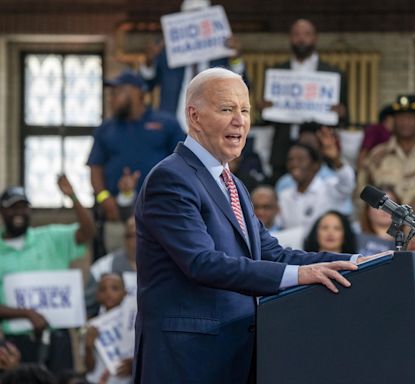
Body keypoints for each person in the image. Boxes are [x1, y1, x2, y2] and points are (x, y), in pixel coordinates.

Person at [133, 68, 367, 383]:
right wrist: (300, 276)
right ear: (195, 116)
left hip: (234, 356)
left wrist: (355, 263)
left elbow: (273, 253)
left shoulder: (233, 184)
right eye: (227, 109)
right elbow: (202, 263)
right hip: (188, 360)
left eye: (245, 110)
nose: (240, 120)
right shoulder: (172, 178)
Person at [0, 177, 94, 372]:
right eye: (12, 207)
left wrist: (73, 197)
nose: (18, 212)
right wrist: (26, 314)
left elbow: (88, 232)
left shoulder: (50, 237)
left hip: (57, 338)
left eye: (23, 206)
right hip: (17, 342)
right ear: (2, 211)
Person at [87, 70, 185, 223]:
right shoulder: (105, 129)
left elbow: (184, 163)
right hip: (117, 212)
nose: (111, 98)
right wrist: (104, 198)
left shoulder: (167, 124)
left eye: (117, 92)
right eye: (111, 93)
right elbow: (95, 168)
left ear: (138, 93)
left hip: (162, 211)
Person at [261, 18, 349, 182]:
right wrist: (264, 109)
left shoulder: (334, 74)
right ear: (290, 38)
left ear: (315, 38)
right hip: (282, 150)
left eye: (306, 34)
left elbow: (345, 120)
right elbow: (265, 121)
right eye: (296, 34)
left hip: (319, 148)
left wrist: (341, 113)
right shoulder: (276, 73)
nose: (301, 39)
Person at [140, 0, 247, 129]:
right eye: (190, 17)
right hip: (173, 130)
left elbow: (243, 87)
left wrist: (236, 59)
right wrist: (149, 61)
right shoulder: (167, 52)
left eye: (201, 17)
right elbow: (145, 85)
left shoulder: (222, 53)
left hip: (212, 130)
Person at [357, 94, 415, 219]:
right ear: (393, 121)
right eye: (401, 117)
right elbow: (362, 193)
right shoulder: (377, 155)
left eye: (411, 117)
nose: (405, 122)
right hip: (386, 229)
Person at [277, 140, 355, 231]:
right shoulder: (285, 195)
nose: (294, 164)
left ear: (316, 165)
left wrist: (336, 160)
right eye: (290, 160)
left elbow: (347, 183)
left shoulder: (329, 188)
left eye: (300, 159)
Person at [84, 217, 136, 318]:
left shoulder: (164, 268)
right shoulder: (102, 268)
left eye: (140, 235)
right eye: (130, 236)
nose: (135, 241)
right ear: (124, 238)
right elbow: (87, 309)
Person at [84, 273, 131, 384]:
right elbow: (89, 368)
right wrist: (88, 347)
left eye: (114, 288)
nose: (108, 293)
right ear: (97, 295)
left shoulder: (134, 322)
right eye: (103, 289)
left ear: (125, 293)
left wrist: (134, 365)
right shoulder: (92, 326)